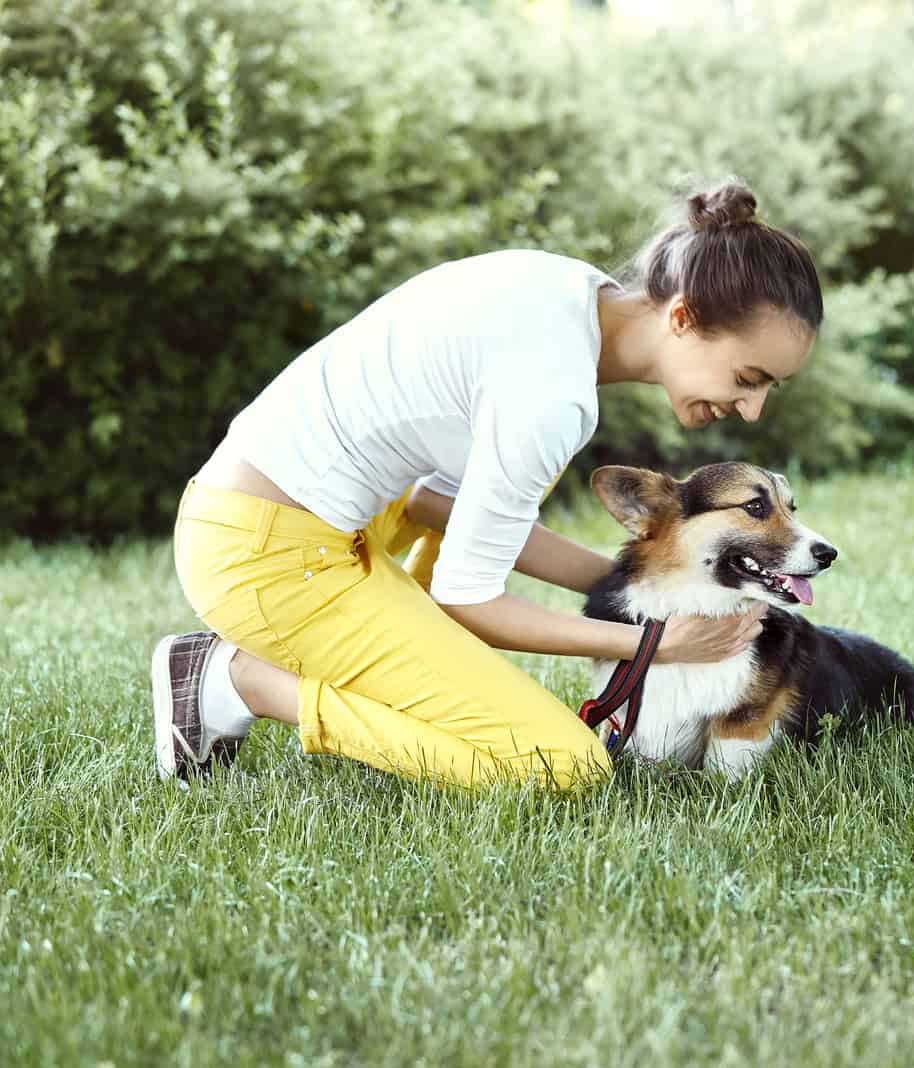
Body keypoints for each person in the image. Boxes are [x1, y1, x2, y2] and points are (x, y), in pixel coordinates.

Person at [151, 180, 823, 791]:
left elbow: (433, 503)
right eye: (748, 377)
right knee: (562, 766)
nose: (753, 408)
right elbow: (468, 598)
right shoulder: (553, 396)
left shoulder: (562, 291)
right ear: (682, 317)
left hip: (283, 519)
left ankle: (391, 662)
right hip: (269, 559)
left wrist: (651, 588)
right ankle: (238, 684)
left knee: (459, 671)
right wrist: (654, 641)